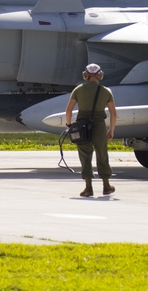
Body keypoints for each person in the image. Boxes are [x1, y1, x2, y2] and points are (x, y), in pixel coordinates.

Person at [64, 63, 118, 197]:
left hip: (82, 126)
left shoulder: (78, 89)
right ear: (100, 74)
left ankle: (88, 188)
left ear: (86, 75)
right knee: (102, 153)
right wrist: (111, 130)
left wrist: (69, 125)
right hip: (99, 125)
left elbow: (69, 110)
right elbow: (113, 113)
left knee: (85, 154)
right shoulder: (106, 91)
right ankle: (106, 186)